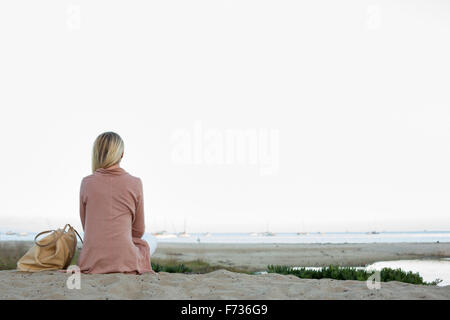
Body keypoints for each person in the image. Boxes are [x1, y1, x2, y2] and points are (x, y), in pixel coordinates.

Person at [77, 131, 155, 274]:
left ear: (96, 153)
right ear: (122, 154)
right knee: (151, 240)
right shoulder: (135, 183)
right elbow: (138, 231)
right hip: (125, 257)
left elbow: (86, 226)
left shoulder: (86, 183)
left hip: (92, 259)